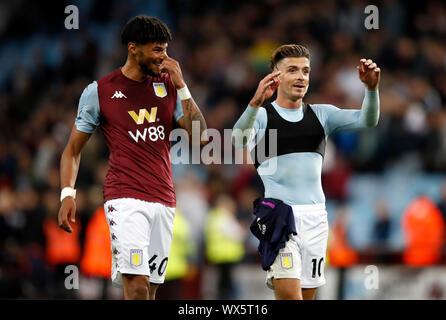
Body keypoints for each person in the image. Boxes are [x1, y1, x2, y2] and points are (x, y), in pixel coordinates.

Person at [57, 15, 207, 300]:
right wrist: (67, 193)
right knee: (136, 286)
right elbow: (72, 150)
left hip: (164, 199)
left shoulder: (169, 86)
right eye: (157, 50)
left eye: (165, 50)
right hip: (124, 197)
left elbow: (200, 136)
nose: (164, 58)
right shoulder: (99, 91)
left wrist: (183, 86)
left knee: (149, 291)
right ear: (133, 48)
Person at [232, 44, 380, 300]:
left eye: (306, 70)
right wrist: (255, 103)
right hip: (280, 216)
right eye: (292, 70)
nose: (301, 76)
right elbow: (237, 140)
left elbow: (367, 120)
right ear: (276, 77)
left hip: (316, 219)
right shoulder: (263, 116)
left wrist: (371, 89)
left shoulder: (321, 115)